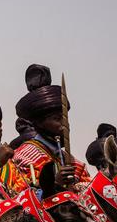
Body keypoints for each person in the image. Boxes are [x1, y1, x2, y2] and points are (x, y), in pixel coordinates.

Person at [12, 64, 89, 197]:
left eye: (65, 118)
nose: (65, 124)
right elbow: (19, 197)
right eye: (57, 119)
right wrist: (54, 185)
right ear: (39, 123)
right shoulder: (23, 157)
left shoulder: (75, 162)